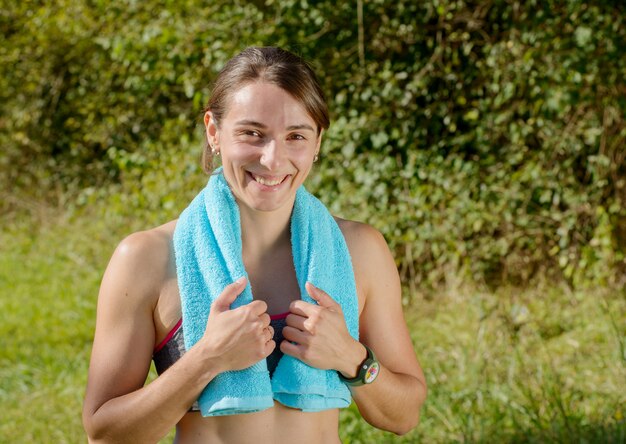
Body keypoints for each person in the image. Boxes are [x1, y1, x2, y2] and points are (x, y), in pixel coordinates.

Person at [82, 46, 426, 443]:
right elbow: (104, 435)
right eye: (252, 133)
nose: (273, 159)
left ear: (317, 144)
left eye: (296, 135)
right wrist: (206, 359)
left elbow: (405, 414)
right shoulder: (147, 258)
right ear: (214, 132)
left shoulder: (360, 250)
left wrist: (352, 357)